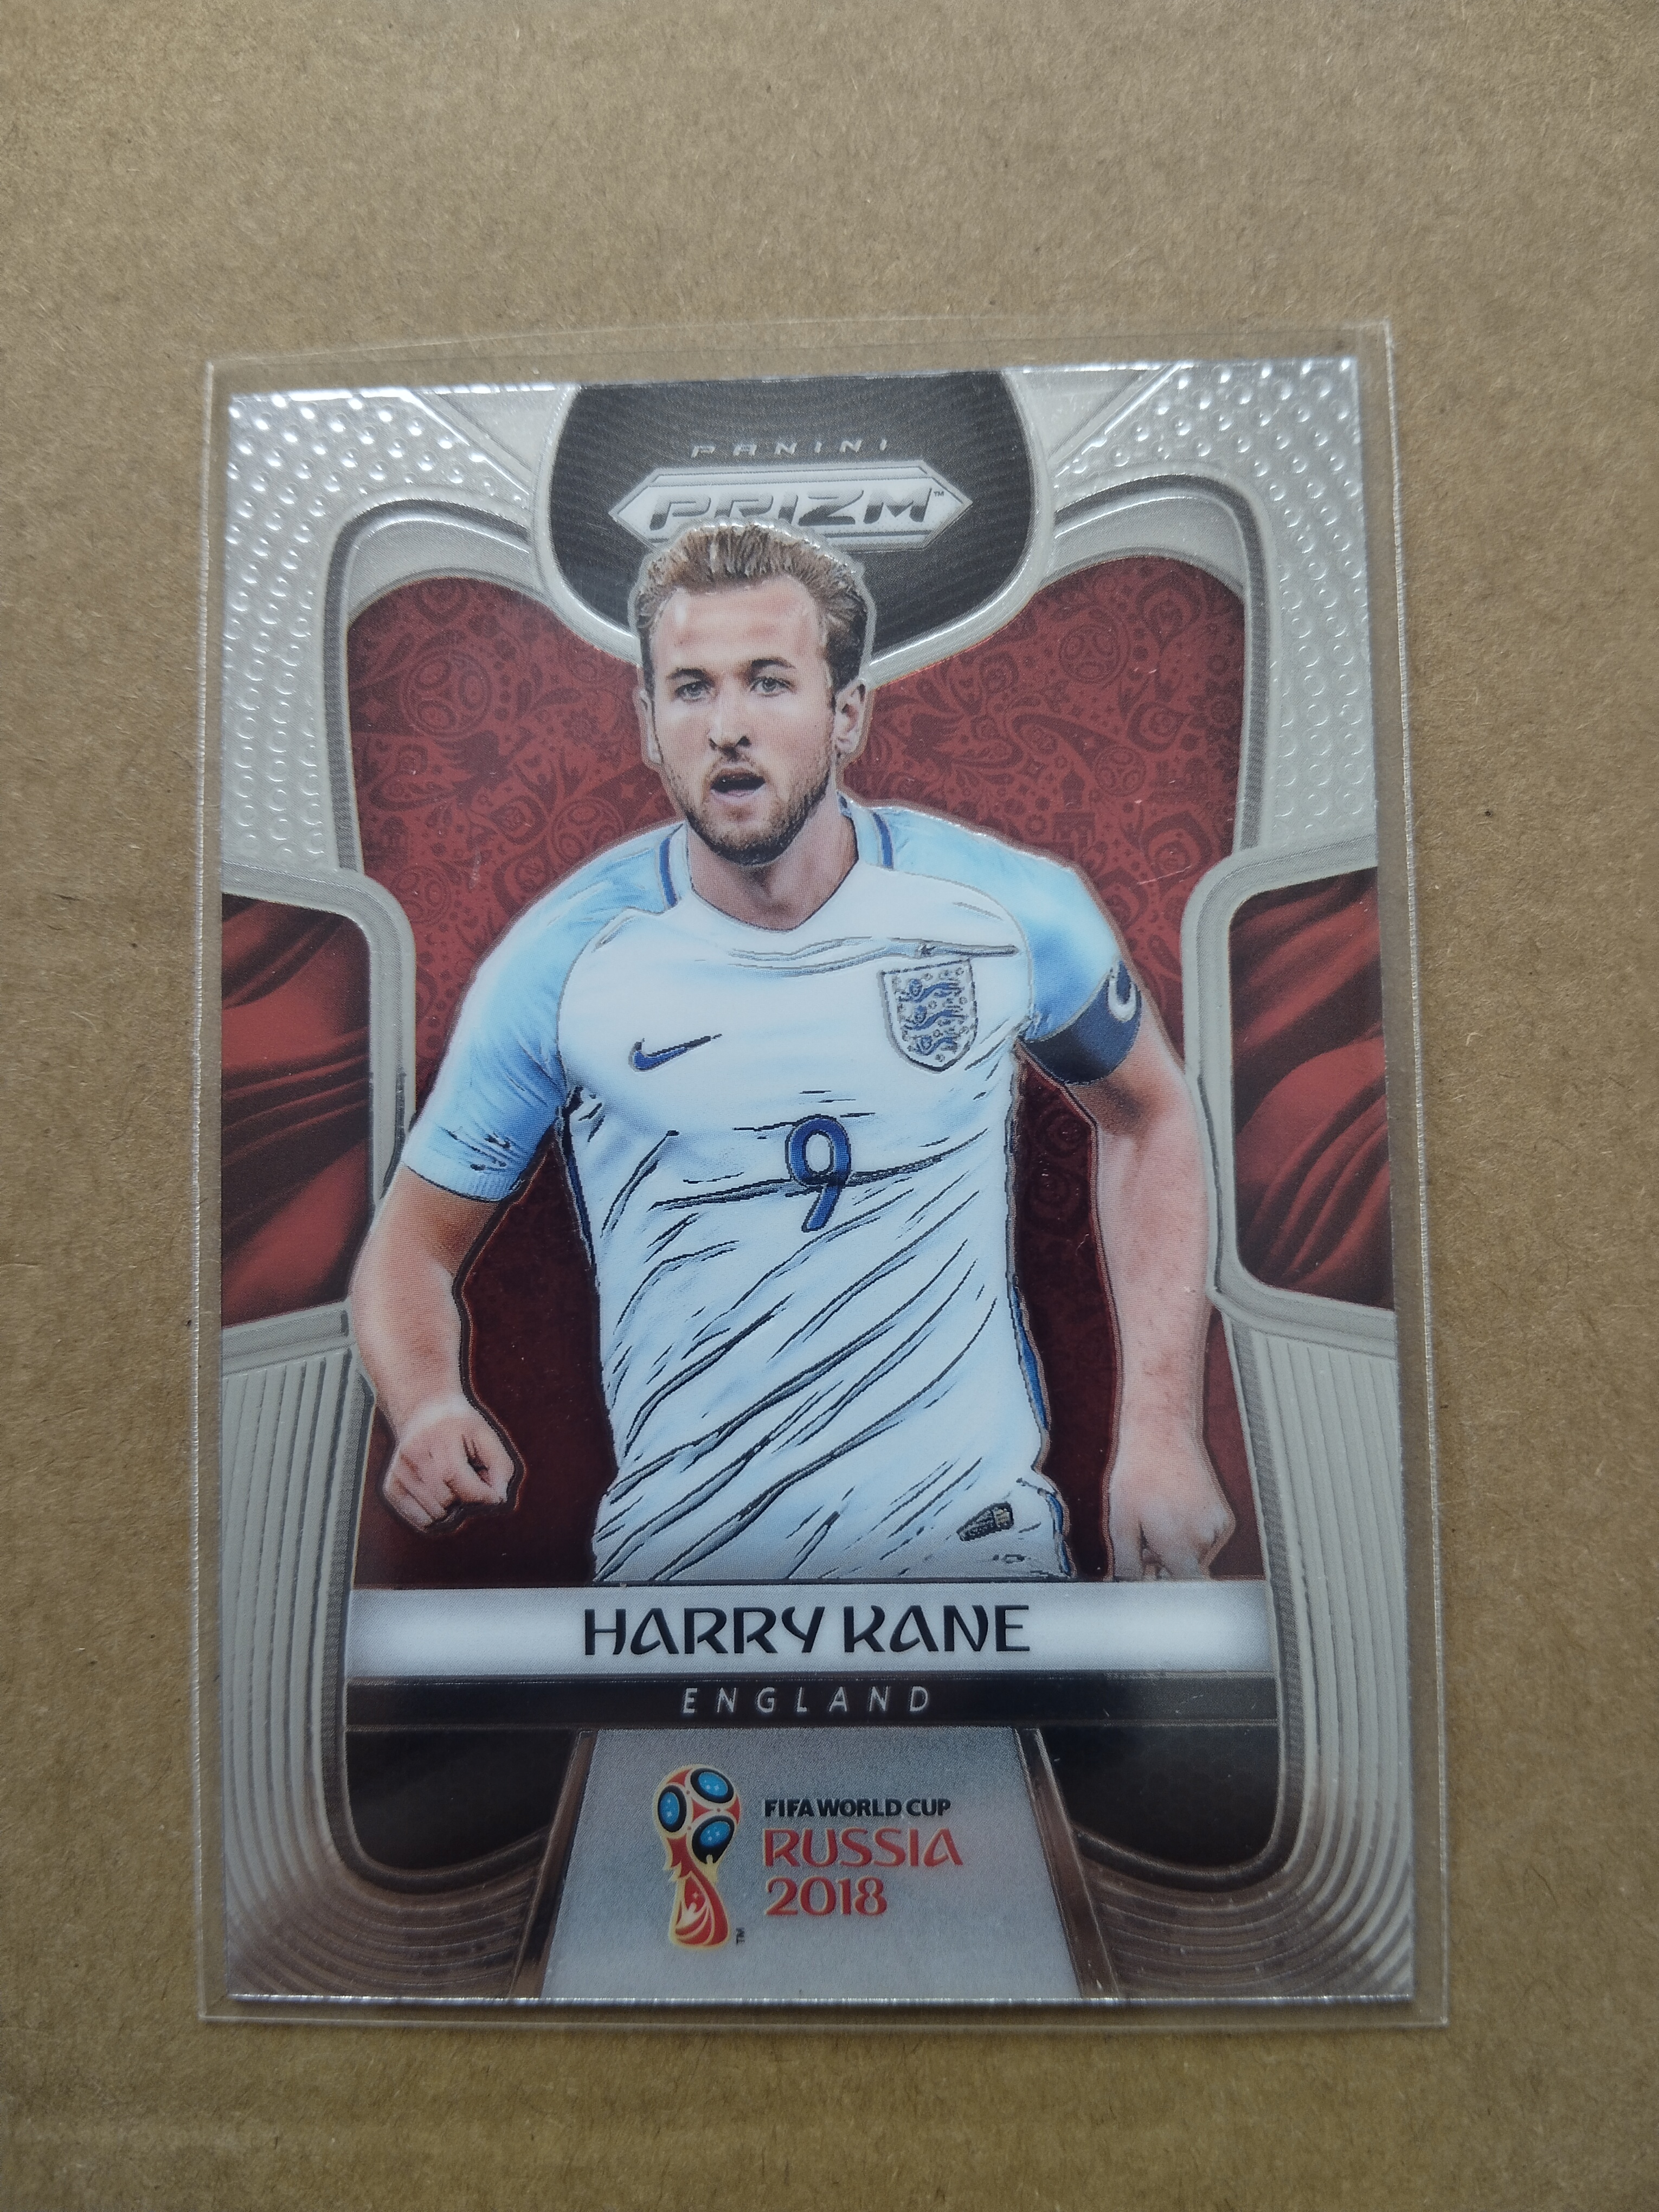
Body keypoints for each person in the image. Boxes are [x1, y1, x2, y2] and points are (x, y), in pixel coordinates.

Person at [349, 522, 1234, 1583]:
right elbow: (410, 1246)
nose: (728, 727)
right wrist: (428, 1402)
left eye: (768, 683)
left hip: (972, 1560)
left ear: (846, 713)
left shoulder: (1007, 910)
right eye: (691, 689)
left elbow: (1150, 1117)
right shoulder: (565, 961)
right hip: (683, 1575)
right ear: (647, 724)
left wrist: (1161, 1433)